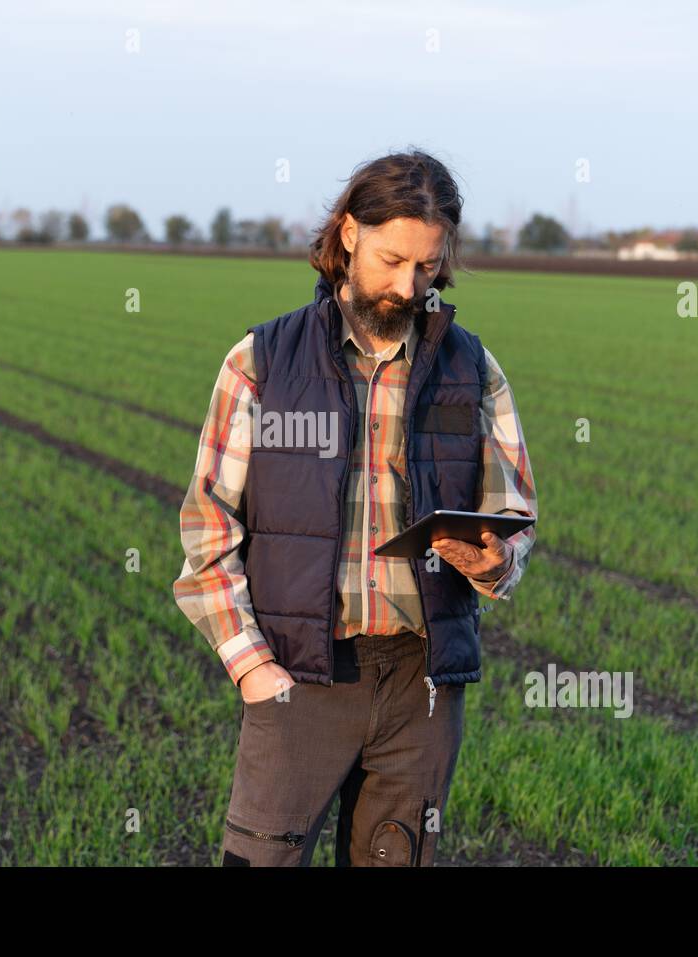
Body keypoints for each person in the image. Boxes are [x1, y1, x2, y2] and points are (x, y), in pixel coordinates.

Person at [172, 148, 538, 866]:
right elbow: (208, 527)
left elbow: (512, 514)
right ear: (347, 234)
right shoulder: (263, 362)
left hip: (421, 685)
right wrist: (251, 668)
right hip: (298, 676)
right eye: (392, 259)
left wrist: (498, 561)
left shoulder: (474, 369)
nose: (409, 285)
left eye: (428, 265)